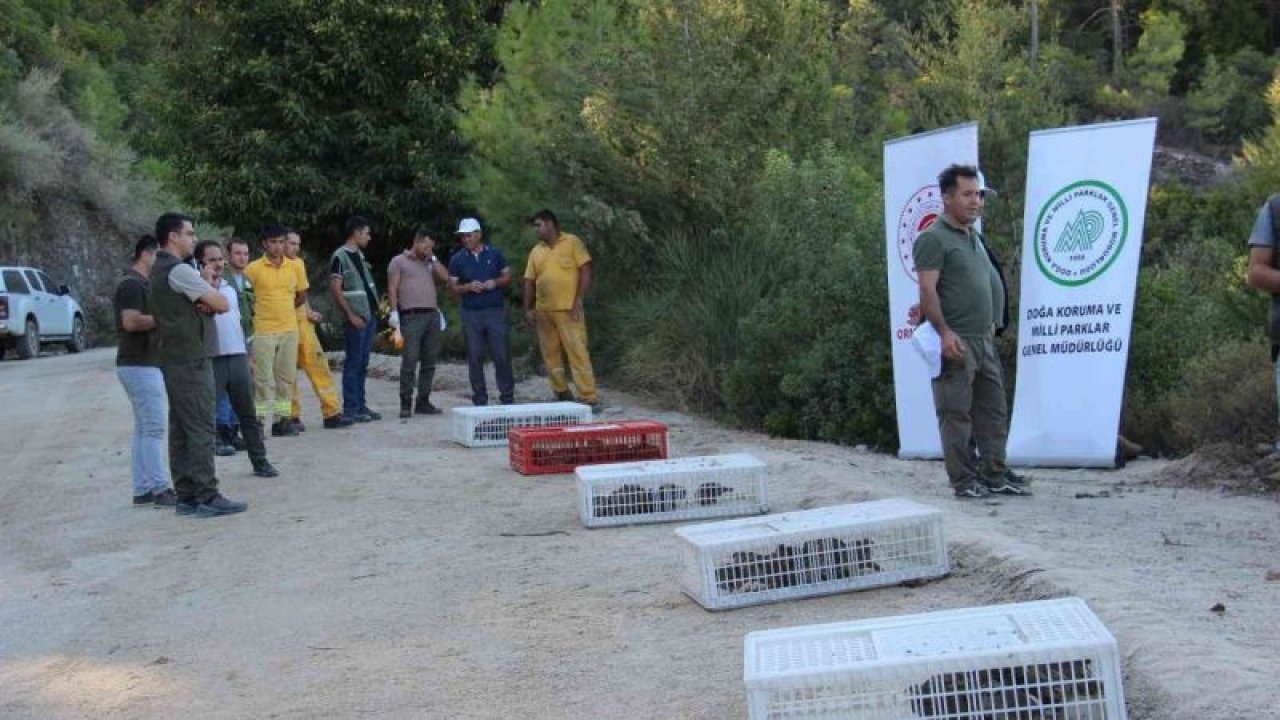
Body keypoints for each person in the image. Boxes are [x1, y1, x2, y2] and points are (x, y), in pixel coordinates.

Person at [913, 165, 1029, 500]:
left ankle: (995, 473)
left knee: (993, 410)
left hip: (984, 340)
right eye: (967, 194)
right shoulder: (933, 238)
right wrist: (945, 332)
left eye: (978, 194)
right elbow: (928, 289)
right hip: (957, 340)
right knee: (956, 414)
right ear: (947, 198)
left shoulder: (972, 236)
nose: (975, 201)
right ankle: (964, 481)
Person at [149, 212, 247, 517]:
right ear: (173, 236)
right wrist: (206, 287)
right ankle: (207, 495)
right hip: (191, 358)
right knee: (202, 426)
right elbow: (221, 303)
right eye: (189, 233)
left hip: (174, 356)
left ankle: (187, 495)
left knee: (181, 427)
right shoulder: (179, 270)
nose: (194, 239)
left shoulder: (159, 268)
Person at [195, 240, 279, 479]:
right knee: (206, 417)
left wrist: (247, 352)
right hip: (213, 358)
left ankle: (260, 461)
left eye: (220, 259)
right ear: (200, 263)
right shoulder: (195, 289)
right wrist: (206, 283)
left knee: (248, 413)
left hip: (237, 354)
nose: (218, 264)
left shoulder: (230, 287)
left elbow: (239, 320)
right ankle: (203, 474)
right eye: (211, 260)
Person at [114, 235, 177, 508]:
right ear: (146, 254)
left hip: (139, 363)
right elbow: (130, 321)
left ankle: (143, 488)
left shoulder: (138, 283)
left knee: (144, 428)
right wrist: (164, 318)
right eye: (157, 256)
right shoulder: (132, 284)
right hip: (139, 364)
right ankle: (161, 488)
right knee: (154, 428)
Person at [523, 209, 599, 409]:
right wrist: (528, 308)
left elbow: (586, 270)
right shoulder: (536, 251)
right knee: (550, 354)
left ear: (550, 224)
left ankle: (588, 397)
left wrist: (579, 298)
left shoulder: (572, 242)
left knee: (578, 351)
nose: (536, 230)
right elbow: (529, 281)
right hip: (544, 312)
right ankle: (561, 392)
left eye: (538, 225)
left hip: (569, 310)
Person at [244, 224, 308, 437]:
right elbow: (246, 299)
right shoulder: (253, 269)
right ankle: (258, 421)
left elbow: (302, 295)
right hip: (263, 331)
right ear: (264, 244)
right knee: (262, 381)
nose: (278, 246)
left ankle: (282, 420)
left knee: (286, 379)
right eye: (273, 242)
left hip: (289, 329)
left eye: (281, 242)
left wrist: (286, 309)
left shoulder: (295, 266)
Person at [285, 229, 352, 430]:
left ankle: (332, 413)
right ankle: (291, 417)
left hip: (303, 325)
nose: (296, 248)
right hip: (284, 325)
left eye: (298, 244)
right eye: (292, 243)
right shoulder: (276, 266)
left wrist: (309, 311)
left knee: (319, 367)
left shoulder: (298, 263)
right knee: (288, 375)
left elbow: (302, 294)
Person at [447, 217, 515, 406]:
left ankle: (507, 396)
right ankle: (480, 398)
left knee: (501, 354)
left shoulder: (495, 253)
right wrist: (467, 287)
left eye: (469, 235)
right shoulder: (457, 259)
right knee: (474, 355)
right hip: (471, 313)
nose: (466, 239)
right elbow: (452, 288)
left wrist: (495, 282)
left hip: (494, 310)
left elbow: (508, 276)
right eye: (463, 236)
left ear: (479, 234)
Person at [388, 226, 449, 418]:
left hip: (432, 315)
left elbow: (446, 277)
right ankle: (405, 402)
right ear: (416, 241)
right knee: (410, 359)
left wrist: (433, 258)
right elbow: (392, 288)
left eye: (431, 247)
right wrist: (394, 311)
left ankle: (423, 401)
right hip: (411, 315)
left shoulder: (429, 262)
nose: (427, 250)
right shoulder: (399, 261)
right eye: (425, 246)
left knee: (429, 361)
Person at [330, 216, 382, 422]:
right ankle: (351, 408)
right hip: (356, 319)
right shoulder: (340, 257)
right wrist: (350, 315)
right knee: (353, 363)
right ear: (357, 232)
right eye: (367, 233)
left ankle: (361, 405)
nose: (369, 237)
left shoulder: (360, 255)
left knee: (362, 362)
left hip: (368, 316)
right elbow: (336, 290)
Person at [215, 237, 255, 454]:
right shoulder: (223, 280)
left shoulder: (248, 280)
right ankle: (221, 434)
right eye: (238, 253)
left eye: (246, 253)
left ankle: (233, 431)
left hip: (243, 338)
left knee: (241, 389)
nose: (242, 258)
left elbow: (250, 312)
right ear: (228, 256)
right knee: (223, 392)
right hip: (224, 342)